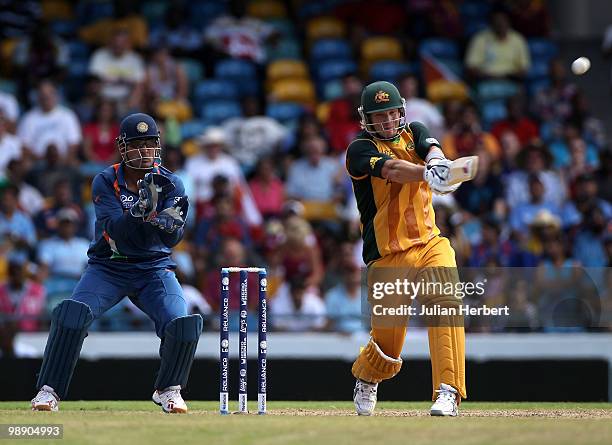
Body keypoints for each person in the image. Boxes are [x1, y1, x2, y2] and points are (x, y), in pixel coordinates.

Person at [30, 113, 201, 414]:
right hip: (109, 267)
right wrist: (142, 212)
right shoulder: (106, 180)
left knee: (183, 324)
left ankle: (169, 390)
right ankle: (48, 392)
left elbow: (172, 240)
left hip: (153, 269)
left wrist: (165, 224)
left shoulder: (172, 183)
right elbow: (115, 231)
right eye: (138, 145)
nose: (145, 152)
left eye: (150, 144)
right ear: (123, 147)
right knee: (72, 315)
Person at [345, 81, 470, 416]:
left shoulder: (414, 131)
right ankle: (368, 377)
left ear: (400, 111)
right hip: (387, 254)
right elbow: (392, 169)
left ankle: (448, 391)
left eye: (391, 113)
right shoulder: (359, 149)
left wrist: (440, 161)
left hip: (430, 241)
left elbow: (432, 148)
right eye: (379, 116)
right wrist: (428, 174)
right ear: (366, 119)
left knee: (445, 303)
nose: (387, 121)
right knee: (388, 343)